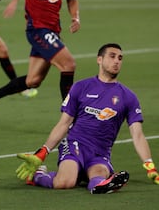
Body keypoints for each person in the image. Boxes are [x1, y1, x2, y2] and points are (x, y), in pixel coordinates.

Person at [15, 43, 159, 194]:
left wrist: (149, 164)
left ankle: (103, 185)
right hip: (74, 145)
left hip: (100, 153)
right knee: (65, 182)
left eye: (120, 58)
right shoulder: (81, 87)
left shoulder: (128, 97)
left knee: (98, 176)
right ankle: (39, 175)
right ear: (99, 60)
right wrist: (43, 151)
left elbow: (137, 134)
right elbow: (64, 123)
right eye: (112, 56)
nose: (117, 61)